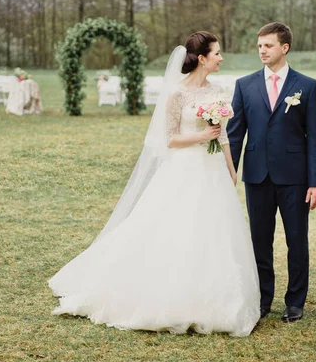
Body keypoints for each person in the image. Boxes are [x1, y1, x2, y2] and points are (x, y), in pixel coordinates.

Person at [49, 32, 260, 337]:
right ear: (202, 58)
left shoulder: (218, 90)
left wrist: (230, 167)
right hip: (185, 169)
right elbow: (169, 139)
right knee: (175, 229)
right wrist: (201, 137)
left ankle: (215, 298)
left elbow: (223, 133)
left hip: (212, 169)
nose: (221, 57)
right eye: (217, 53)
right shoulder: (177, 94)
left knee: (214, 230)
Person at [227, 22, 316, 323]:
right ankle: (261, 300)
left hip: (295, 178)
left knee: (297, 240)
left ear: (284, 48)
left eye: (268, 46)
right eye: (259, 46)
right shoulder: (244, 85)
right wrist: (226, 173)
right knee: (259, 241)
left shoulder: (307, 86)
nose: (262, 51)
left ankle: (295, 302)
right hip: (256, 176)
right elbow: (234, 135)